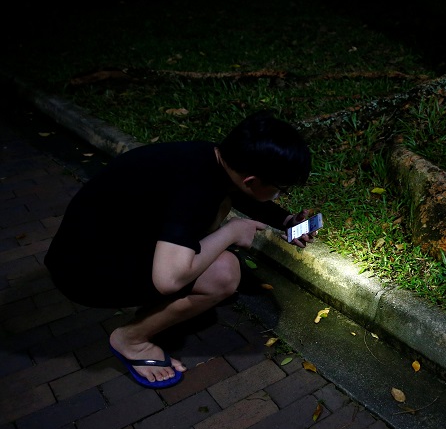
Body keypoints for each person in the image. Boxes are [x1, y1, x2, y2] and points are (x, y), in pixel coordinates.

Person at [44, 110, 316, 388]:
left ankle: (153, 304)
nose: (281, 194)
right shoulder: (196, 190)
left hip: (91, 246)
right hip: (82, 274)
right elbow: (168, 280)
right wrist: (230, 232)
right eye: (281, 189)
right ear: (252, 180)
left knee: (215, 225)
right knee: (224, 273)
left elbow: (237, 191)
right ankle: (131, 339)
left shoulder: (210, 158)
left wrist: (285, 221)